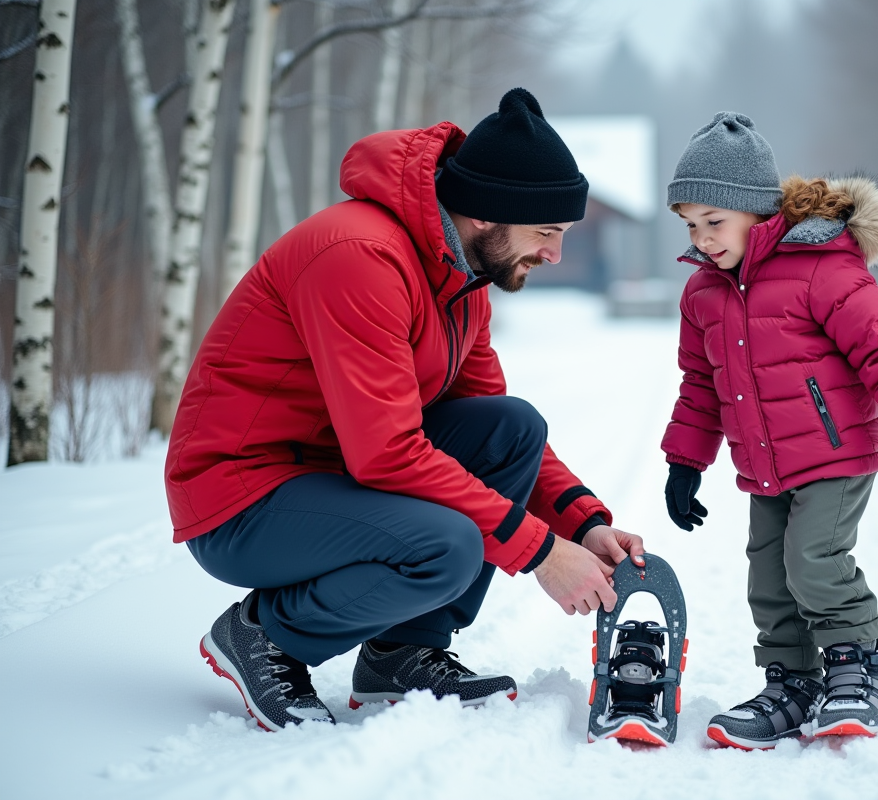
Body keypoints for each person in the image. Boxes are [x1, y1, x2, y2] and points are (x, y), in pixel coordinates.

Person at [165, 88, 645, 732]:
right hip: (243, 494)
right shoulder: (357, 256)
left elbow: (491, 420)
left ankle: (401, 652)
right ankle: (264, 636)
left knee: (511, 427)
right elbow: (387, 452)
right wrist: (538, 552)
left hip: (331, 472)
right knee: (446, 546)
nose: (554, 254)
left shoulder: (459, 281)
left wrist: (581, 524)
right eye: (546, 233)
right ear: (486, 214)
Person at [658, 112, 878, 750]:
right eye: (691, 224)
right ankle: (792, 683)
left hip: (836, 451)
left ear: (757, 211)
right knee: (767, 575)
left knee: (814, 561)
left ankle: (858, 669)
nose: (703, 238)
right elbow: (700, 384)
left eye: (715, 222)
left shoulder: (821, 265)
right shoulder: (702, 294)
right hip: (764, 462)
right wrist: (685, 462)